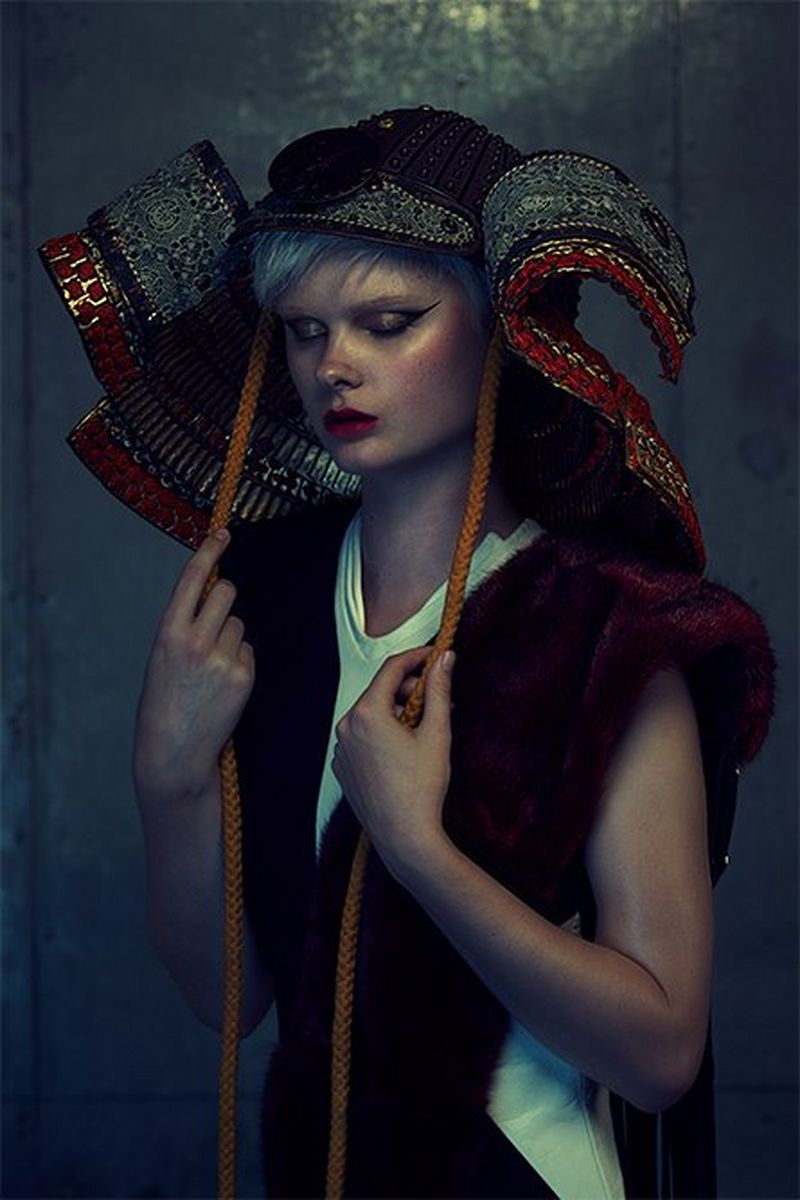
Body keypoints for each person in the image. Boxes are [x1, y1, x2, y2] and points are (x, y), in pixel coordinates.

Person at [42, 107, 774, 1200]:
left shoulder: (604, 635)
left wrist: (417, 847)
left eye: (389, 321)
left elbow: (660, 1056)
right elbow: (231, 999)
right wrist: (169, 780)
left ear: (499, 330)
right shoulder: (263, 602)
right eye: (303, 329)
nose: (336, 363)